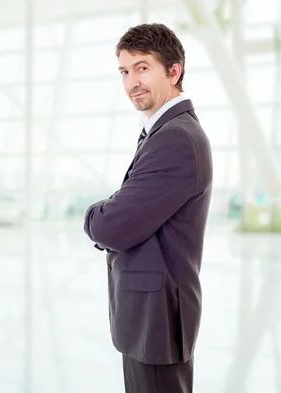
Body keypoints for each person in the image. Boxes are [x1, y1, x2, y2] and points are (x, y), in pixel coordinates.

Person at [83, 23, 213, 393]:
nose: (131, 82)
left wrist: (95, 212)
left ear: (175, 71)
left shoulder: (176, 139)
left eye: (142, 67)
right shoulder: (165, 133)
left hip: (157, 322)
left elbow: (112, 227)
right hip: (149, 317)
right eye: (124, 71)